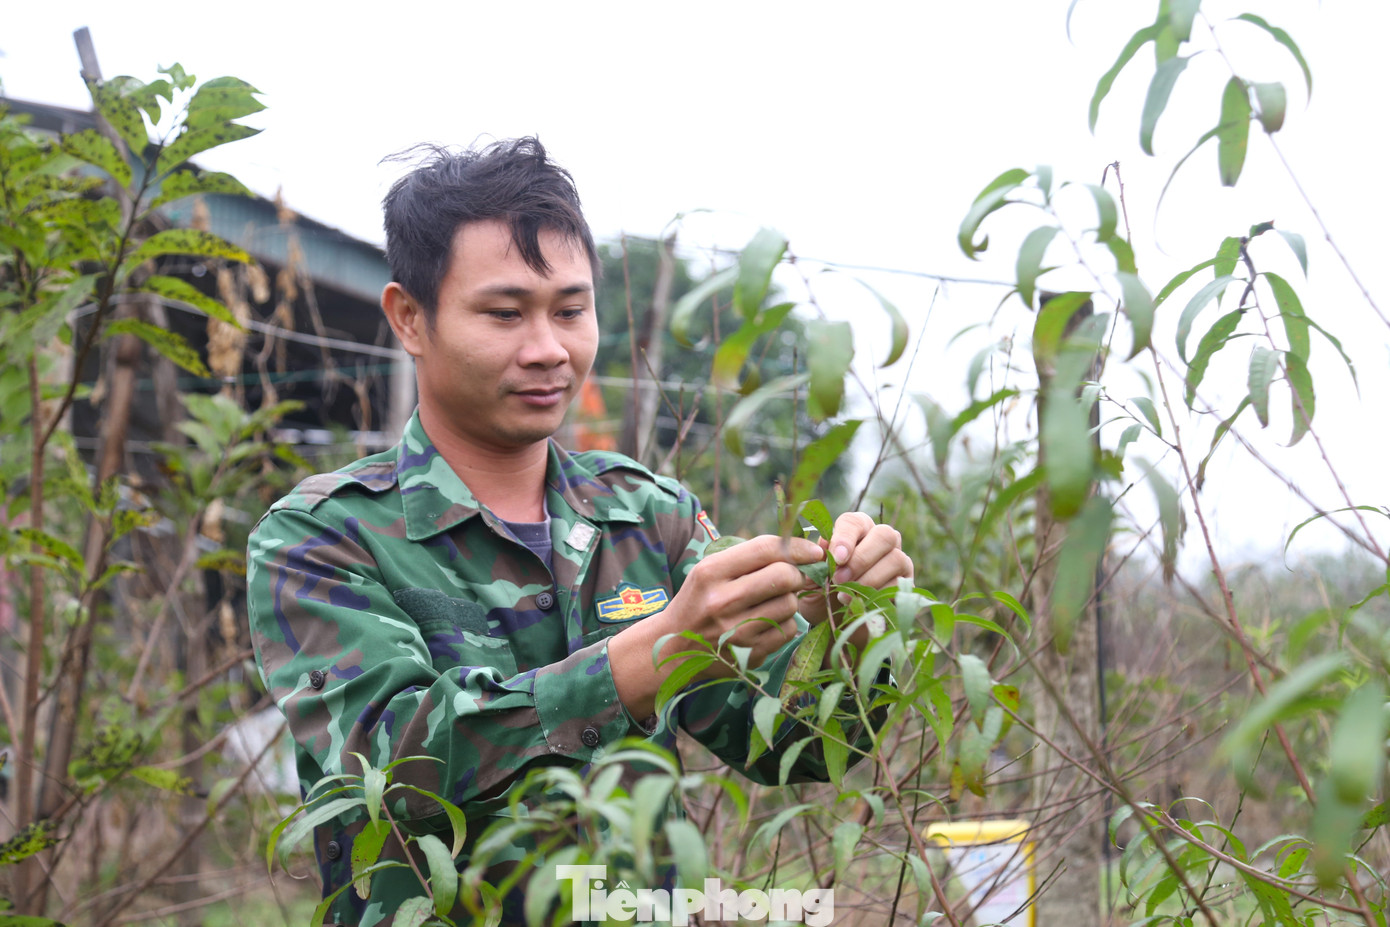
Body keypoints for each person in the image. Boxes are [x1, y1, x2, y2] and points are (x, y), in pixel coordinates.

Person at [246, 137, 913, 926]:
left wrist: (854, 631)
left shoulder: (647, 514)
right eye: (504, 313)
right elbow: (394, 767)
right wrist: (657, 650)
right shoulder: (322, 537)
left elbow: (788, 744)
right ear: (410, 318)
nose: (548, 349)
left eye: (570, 309)